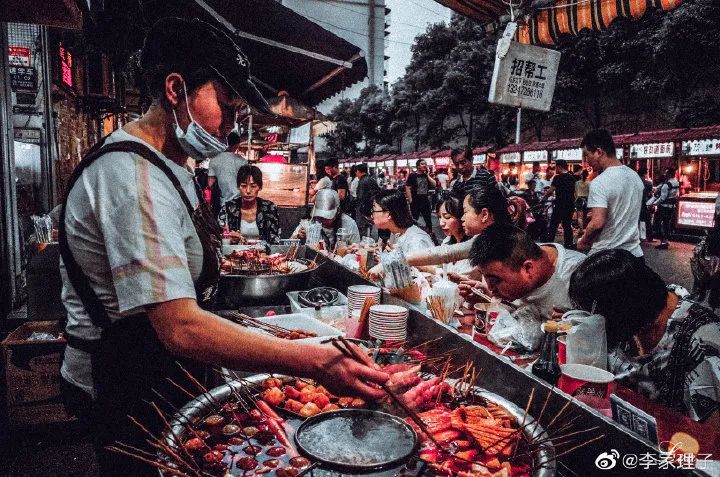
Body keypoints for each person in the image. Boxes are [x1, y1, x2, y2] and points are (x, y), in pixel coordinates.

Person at [58, 18, 388, 476]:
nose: (231, 126)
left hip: (159, 369)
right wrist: (312, 360)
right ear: (176, 89)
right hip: (125, 379)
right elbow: (180, 328)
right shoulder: (132, 180)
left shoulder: (172, 165)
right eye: (227, 107)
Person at [569, 249, 720, 422]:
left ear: (622, 312)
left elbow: (711, 438)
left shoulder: (701, 342)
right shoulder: (630, 318)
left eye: (595, 317)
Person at [369, 186, 513, 278]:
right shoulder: (492, 236)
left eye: (466, 212)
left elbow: (443, 254)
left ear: (485, 214)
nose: (462, 217)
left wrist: (390, 262)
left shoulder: (495, 238)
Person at [467, 223, 585, 319]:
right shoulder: (518, 256)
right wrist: (485, 298)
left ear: (528, 268)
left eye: (495, 280)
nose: (491, 289)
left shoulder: (581, 275)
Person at [576, 130, 644, 259]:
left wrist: (583, 240)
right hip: (634, 254)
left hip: (606, 257)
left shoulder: (599, 183)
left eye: (587, 155)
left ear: (599, 152)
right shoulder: (634, 176)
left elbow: (597, 223)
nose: (586, 161)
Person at [218, 165, 280, 244]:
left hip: (263, 255)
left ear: (260, 187)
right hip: (234, 254)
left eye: (253, 186)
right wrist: (229, 238)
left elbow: (275, 241)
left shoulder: (270, 208)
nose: (248, 191)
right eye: (243, 186)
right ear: (238, 186)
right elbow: (218, 239)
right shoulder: (227, 208)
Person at [370, 189, 435, 256]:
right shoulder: (395, 233)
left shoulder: (416, 240)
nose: (372, 215)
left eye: (374, 211)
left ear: (388, 214)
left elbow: (426, 266)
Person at [292, 189, 360, 250]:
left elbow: (356, 248)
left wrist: (352, 249)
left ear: (337, 212)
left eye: (326, 218)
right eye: (319, 217)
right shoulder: (308, 223)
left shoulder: (349, 224)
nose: (322, 221)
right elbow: (289, 245)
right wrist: (297, 237)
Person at [542, 159, 578, 248]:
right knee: (567, 225)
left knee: (554, 224)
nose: (555, 170)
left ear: (559, 167)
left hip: (560, 204)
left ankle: (549, 242)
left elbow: (551, 190)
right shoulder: (572, 177)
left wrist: (544, 198)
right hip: (570, 204)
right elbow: (576, 193)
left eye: (555, 167)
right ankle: (568, 244)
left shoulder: (557, 177)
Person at [436, 194, 473, 275]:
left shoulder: (473, 245)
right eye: (439, 217)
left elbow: (462, 277)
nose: (441, 223)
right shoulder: (447, 242)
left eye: (447, 217)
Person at [207, 131, 246, 206]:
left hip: (222, 203)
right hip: (240, 202)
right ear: (237, 145)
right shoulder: (243, 161)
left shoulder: (214, 160)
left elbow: (210, 184)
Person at [647, 167, 680, 250]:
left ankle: (663, 241)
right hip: (672, 207)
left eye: (666, 173)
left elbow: (662, 198)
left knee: (657, 224)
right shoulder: (676, 183)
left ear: (669, 174)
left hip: (664, 207)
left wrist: (653, 204)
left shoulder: (666, 185)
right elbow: (676, 195)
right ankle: (665, 240)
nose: (665, 175)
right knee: (666, 223)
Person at [405, 159, 437, 232]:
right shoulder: (412, 175)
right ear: (417, 166)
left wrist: (427, 174)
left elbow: (434, 184)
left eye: (425, 164)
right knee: (414, 219)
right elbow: (408, 188)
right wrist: (411, 200)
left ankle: (430, 234)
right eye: (422, 164)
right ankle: (413, 233)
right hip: (415, 200)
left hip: (425, 200)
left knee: (428, 219)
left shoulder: (426, 176)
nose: (425, 165)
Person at [355, 163, 381, 237]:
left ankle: (364, 244)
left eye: (356, 171)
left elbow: (360, 197)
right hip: (372, 208)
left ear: (358, 171)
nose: (356, 174)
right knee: (369, 226)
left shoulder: (362, 181)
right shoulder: (371, 179)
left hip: (363, 209)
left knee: (362, 228)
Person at [574, 169, 590, 235]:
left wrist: (575, 199)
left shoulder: (577, 183)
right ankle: (583, 229)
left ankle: (580, 230)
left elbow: (575, 192)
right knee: (585, 216)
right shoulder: (589, 183)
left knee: (579, 217)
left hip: (579, 199)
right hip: (586, 199)